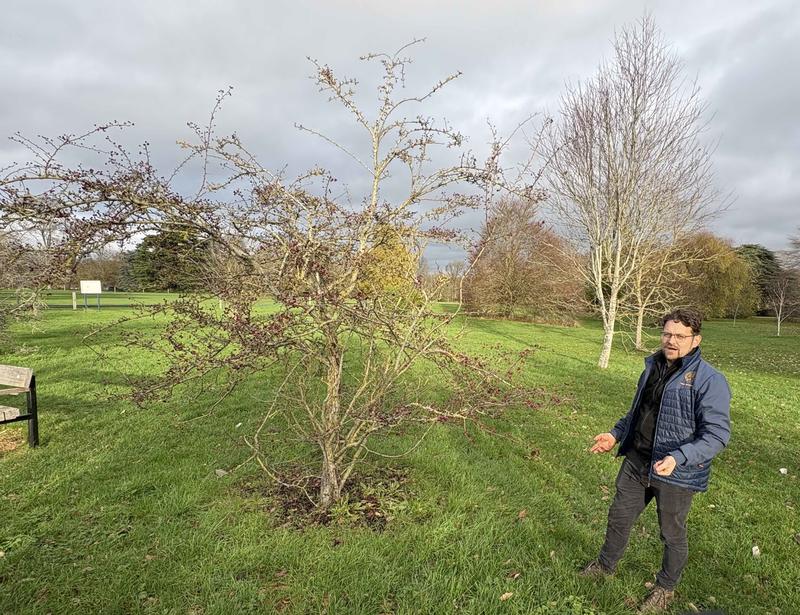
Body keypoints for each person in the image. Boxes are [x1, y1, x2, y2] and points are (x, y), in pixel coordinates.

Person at [582, 308, 731, 613]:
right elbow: (638, 412)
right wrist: (614, 435)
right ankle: (605, 566)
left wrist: (680, 457)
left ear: (696, 339)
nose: (671, 340)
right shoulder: (652, 367)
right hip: (637, 462)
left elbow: (717, 435)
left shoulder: (710, 380)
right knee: (619, 518)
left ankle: (665, 589)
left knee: (671, 533)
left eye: (680, 335)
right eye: (667, 333)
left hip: (676, 473)